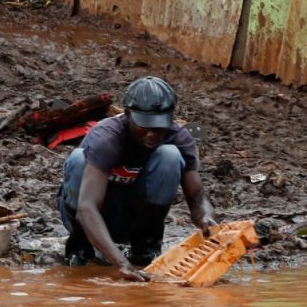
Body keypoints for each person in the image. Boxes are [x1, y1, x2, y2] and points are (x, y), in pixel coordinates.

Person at [58, 77, 216, 282]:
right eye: (144, 126)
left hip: (136, 219)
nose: (151, 134)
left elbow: (197, 197)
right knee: (79, 159)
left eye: (159, 127)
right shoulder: (107, 137)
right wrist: (121, 264)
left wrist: (206, 217)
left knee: (170, 156)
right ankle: (80, 247)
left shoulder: (178, 137)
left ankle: (146, 249)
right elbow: (86, 208)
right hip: (93, 217)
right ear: (127, 114)